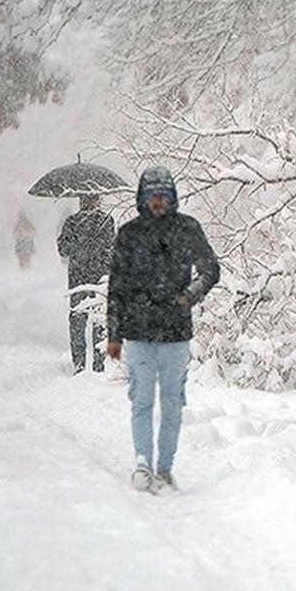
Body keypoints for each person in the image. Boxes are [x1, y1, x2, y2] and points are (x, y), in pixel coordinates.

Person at [106, 166, 219, 493]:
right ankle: (143, 462)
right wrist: (114, 333)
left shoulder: (187, 229)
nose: (158, 201)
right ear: (142, 197)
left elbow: (211, 269)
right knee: (141, 400)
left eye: (164, 195)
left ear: (173, 197)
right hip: (137, 333)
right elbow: (117, 286)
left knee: (172, 404)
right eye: (153, 195)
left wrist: (191, 295)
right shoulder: (129, 234)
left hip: (175, 333)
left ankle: (165, 469)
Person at [57, 194, 115, 374]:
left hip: (78, 279)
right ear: (98, 201)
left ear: (81, 201)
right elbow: (112, 249)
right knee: (99, 321)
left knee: (77, 320)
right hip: (100, 279)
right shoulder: (107, 220)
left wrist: (75, 244)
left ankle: (79, 364)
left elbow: (63, 250)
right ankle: (99, 365)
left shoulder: (72, 222)